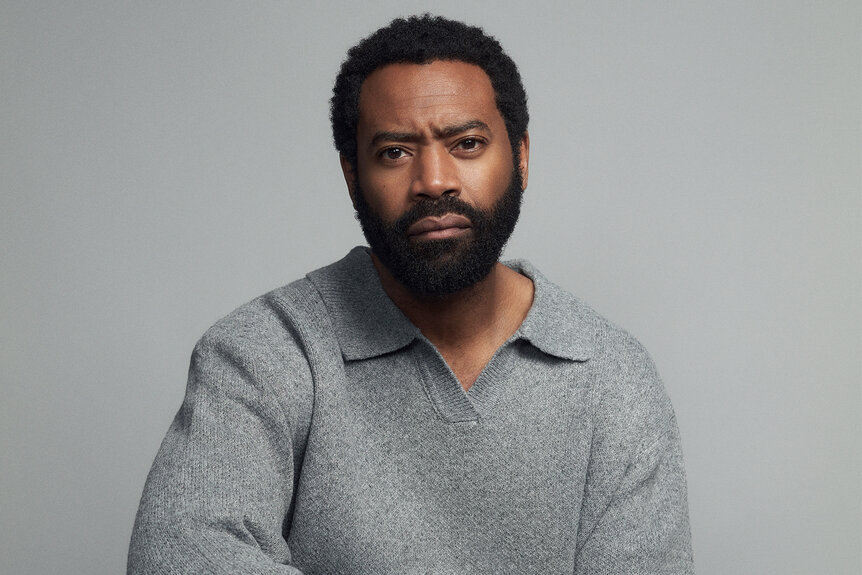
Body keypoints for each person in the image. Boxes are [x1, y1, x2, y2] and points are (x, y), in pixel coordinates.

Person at [128, 14, 694, 575]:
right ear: (352, 176)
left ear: (521, 157)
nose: (434, 180)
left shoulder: (614, 377)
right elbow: (178, 557)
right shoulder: (264, 352)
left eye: (467, 144)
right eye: (395, 152)